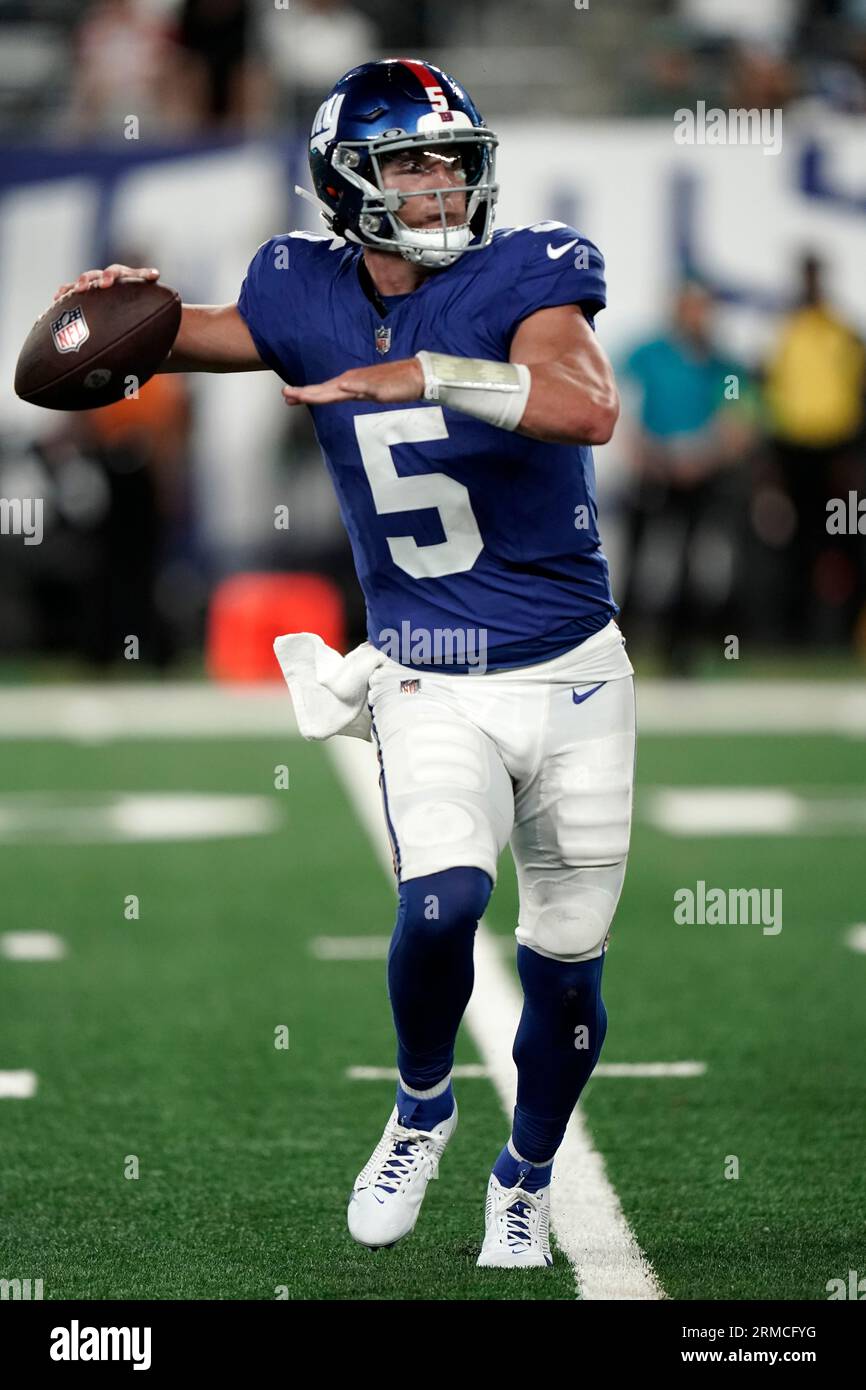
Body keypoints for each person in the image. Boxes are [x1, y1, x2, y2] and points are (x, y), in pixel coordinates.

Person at [55, 58, 633, 1270]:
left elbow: (585, 409)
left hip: (573, 668)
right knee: (444, 902)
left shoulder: (527, 275)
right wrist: (123, 316)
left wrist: (427, 373)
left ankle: (522, 1175)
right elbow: (184, 342)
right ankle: (422, 1106)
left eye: (447, 158)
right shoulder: (297, 287)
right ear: (342, 184)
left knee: (564, 965)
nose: (437, 184)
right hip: (424, 667)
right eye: (409, 163)